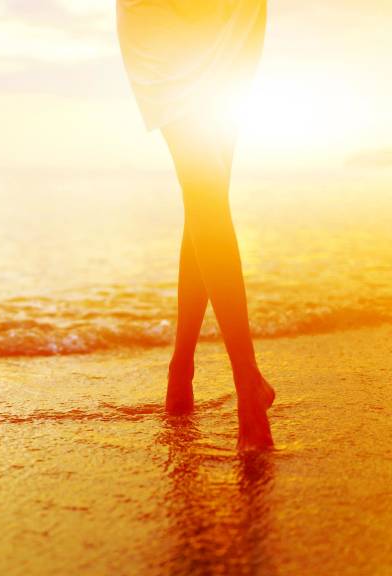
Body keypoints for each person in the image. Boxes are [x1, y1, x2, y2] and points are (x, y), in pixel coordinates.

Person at [117, 0, 275, 449]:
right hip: (159, 21)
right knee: (205, 192)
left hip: (227, 16)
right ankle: (248, 387)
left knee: (206, 197)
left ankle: (181, 370)